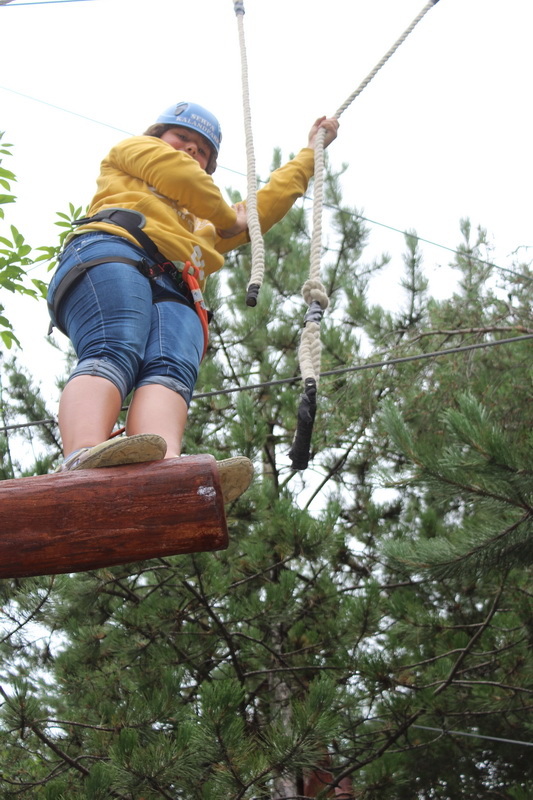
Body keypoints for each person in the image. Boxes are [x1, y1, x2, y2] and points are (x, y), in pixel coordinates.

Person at [47, 102, 339, 502]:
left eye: (202, 150)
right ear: (158, 136)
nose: (190, 149)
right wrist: (228, 219)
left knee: (170, 373)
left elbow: (263, 207)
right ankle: (81, 454)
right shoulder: (133, 152)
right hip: (115, 252)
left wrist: (309, 153)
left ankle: (162, 469)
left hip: (177, 288)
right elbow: (179, 175)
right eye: (181, 137)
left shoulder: (206, 222)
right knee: (114, 347)